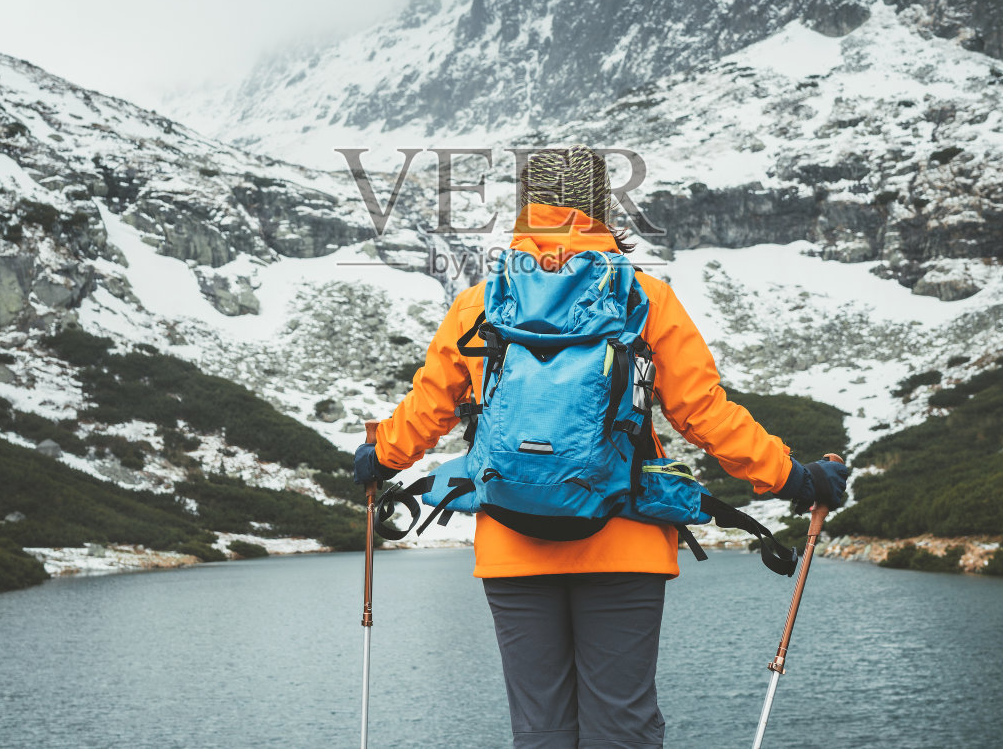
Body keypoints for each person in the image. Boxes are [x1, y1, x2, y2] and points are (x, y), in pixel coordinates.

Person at [354, 146, 849, 749]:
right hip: (625, 539)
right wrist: (796, 479)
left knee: (540, 729)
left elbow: (426, 409)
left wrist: (379, 457)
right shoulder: (646, 299)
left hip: (514, 542)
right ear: (603, 210)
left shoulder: (480, 304)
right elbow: (702, 413)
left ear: (524, 212)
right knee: (624, 727)